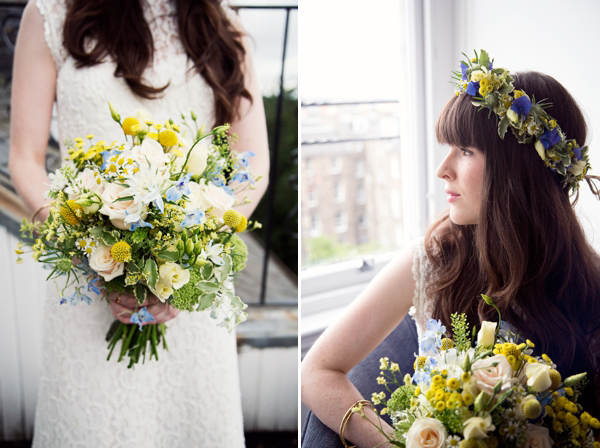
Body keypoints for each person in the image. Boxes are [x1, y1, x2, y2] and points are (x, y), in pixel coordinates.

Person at [301, 54, 600, 448]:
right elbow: (316, 370)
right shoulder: (433, 258)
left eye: (466, 150)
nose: (443, 169)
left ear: (518, 171)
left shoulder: (587, 284)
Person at [8, 0, 269, 446]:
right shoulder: (50, 14)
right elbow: (25, 159)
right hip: (88, 281)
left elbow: (253, 162)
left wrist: (189, 259)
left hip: (192, 283)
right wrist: (90, 247)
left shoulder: (224, 24)